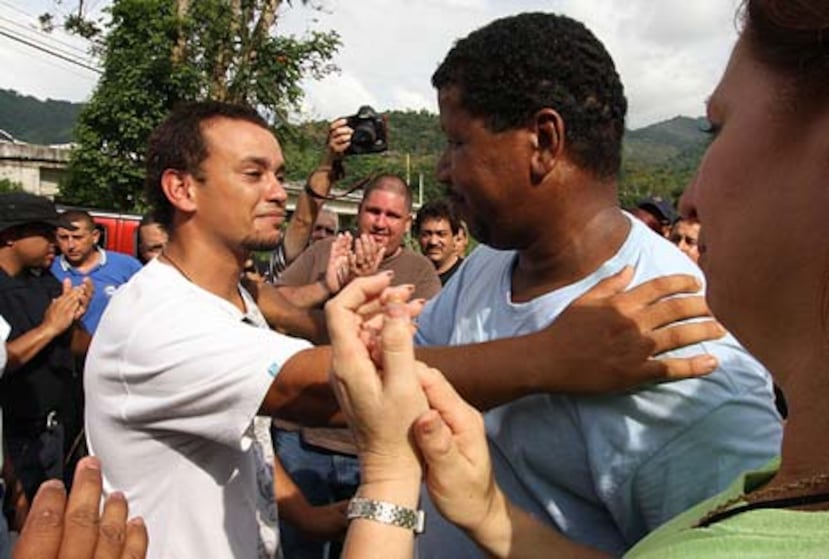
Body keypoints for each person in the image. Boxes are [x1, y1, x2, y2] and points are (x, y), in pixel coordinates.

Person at [88, 100, 726, 559]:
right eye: (253, 174)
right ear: (182, 188)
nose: (279, 192)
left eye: (279, 174)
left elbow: (239, 423)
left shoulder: (228, 303)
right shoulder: (160, 319)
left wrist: (303, 513)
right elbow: (316, 392)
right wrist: (555, 356)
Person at [329, 2, 829, 557]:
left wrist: (387, 486)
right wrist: (542, 362)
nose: (444, 169)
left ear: (544, 141)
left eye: (457, 142)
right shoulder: (493, 260)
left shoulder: (683, 360)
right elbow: (400, 377)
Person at [272, 173, 440, 558]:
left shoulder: (421, 273)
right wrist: (331, 285)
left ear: (406, 222)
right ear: (359, 212)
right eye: (373, 211)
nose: (380, 223)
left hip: (375, 445)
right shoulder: (324, 252)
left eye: (392, 216)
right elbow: (275, 309)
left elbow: (422, 340)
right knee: (299, 549)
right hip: (304, 437)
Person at [0, 193, 92, 528]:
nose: (56, 242)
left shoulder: (44, 280)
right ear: (12, 235)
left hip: (54, 434)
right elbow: (4, 359)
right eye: (44, 232)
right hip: (14, 439)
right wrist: (48, 328)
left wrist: (74, 318)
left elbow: (77, 343)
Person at [263, 120, 349, 282]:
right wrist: (330, 159)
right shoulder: (291, 262)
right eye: (317, 229)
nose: (322, 235)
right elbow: (303, 220)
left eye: (329, 231)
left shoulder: (343, 273)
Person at [51, 210, 142, 334]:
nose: (71, 245)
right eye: (64, 238)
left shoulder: (127, 266)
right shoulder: (50, 269)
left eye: (78, 237)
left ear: (95, 236)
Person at [414, 198, 465, 285]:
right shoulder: (411, 276)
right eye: (427, 234)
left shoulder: (466, 276)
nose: (433, 242)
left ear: (455, 237)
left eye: (441, 234)